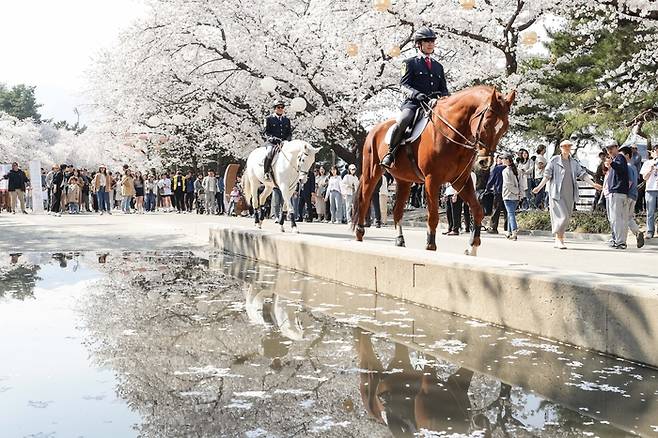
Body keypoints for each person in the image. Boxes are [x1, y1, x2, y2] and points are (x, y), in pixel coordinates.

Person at [381, 26, 449, 169]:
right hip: (414, 103)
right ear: (419, 44)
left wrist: (444, 97)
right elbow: (403, 85)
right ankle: (390, 153)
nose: (431, 44)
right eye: (427, 41)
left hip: (434, 104)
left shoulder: (438, 66)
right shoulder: (409, 63)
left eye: (432, 41)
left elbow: (444, 89)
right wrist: (417, 94)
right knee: (403, 120)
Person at [533, 140, 602, 249]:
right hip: (557, 193)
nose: (566, 148)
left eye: (569, 146)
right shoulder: (554, 160)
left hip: (570, 193)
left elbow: (583, 174)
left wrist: (593, 184)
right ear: (560, 147)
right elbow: (547, 175)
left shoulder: (574, 162)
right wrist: (539, 187)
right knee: (562, 217)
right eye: (564, 146)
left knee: (566, 217)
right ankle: (559, 239)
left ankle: (558, 238)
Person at [603, 141, 630, 249]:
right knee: (621, 218)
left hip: (617, 192)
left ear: (617, 147)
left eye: (612, 148)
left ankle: (619, 241)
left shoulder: (619, 157)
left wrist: (611, 164)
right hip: (620, 193)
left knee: (616, 218)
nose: (609, 150)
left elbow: (620, 168)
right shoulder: (617, 159)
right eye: (608, 148)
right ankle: (621, 241)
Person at [262, 100, 293, 181]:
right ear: (274, 109)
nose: (280, 109)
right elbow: (266, 132)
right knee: (269, 152)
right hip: (272, 142)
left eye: (282, 107)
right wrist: (272, 138)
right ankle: (266, 172)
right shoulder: (269, 119)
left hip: (284, 142)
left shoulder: (286, 120)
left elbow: (289, 132)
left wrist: (288, 139)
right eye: (278, 107)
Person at [620, 146, 644, 248]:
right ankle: (637, 232)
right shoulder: (634, 167)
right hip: (634, 195)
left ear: (627, 155)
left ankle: (623, 240)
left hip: (628, 195)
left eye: (621, 156)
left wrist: (624, 193)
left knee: (624, 218)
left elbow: (629, 182)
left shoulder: (628, 167)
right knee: (628, 217)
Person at [502, 154, 522, 240]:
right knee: (511, 214)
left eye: (503, 159)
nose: (502, 160)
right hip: (516, 196)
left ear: (507, 160)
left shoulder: (505, 171)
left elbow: (508, 185)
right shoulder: (517, 170)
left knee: (511, 214)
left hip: (508, 195)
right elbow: (522, 183)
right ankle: (509, 233)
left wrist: (516, 192)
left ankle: (514, 232)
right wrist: (519, 193)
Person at [485, 155, 507, 234]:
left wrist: (487, 189)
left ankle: (493, 228)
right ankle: (507, 228)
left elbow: (491, 180)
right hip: (508, 192)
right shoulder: (511, 168)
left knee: (496, 210)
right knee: (507, 211)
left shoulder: (497, 169)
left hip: (498, 191)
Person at [640, 145, 658, 239]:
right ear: (652, 152)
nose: (657, 152)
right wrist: (651, 169)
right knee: (650, 212)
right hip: (650, 189)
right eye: (655, 150)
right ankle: (650, 231)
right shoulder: (647, 163)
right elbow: (644, 177)